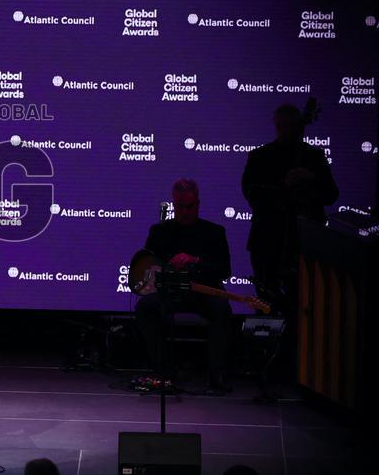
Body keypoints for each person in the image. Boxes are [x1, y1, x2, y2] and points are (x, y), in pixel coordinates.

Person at [134, 179, 232, 392]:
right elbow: (148, 266)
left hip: (203, 294)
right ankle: (163, 372)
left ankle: (216, 376)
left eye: (189, 206)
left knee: (222, 309)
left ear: (198, 204)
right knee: (145, 307)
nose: (185, 211)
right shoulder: (159, 231)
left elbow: (224, 270)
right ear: (173, 205)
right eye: (180, 206)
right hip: (171, 293)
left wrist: (196, 261)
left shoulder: (215, 232)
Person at [242, 103, 338, 309]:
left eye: (294, 127)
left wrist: (312, 178)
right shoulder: (260, 156)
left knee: (307, 303)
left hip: (306, 243)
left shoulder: (313, 156)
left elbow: (331, 195)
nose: (289, 132)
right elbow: (252, 195)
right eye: (284, 126)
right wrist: (283, 186)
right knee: (267, 303)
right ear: (277, 126)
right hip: (268, 242)